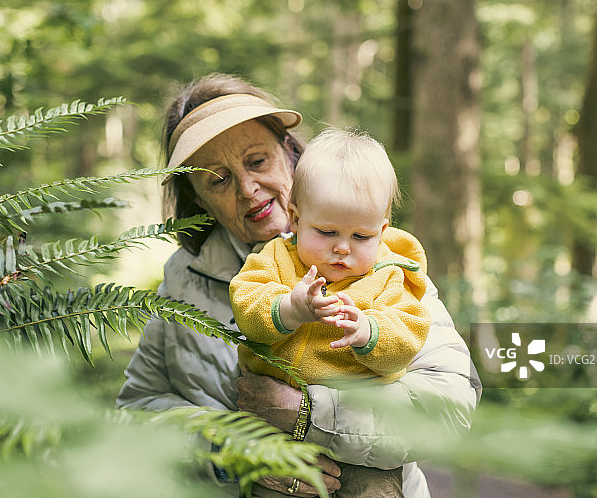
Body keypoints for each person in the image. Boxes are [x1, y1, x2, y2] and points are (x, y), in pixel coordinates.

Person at [115, 73, 482, 498]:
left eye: (257, 162)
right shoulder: (184, 280)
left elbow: (451, 410)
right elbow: (137, 409)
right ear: (197, 198)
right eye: (219, 179)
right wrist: (224, 450)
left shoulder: (379, 259)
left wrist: (311, 415)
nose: (249, 190)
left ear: (289, 153)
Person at [230, 127, 431, 497]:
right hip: (277, 440)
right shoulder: (272, 260)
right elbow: (247, 303)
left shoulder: (389, 277)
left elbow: (408, 336)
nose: (342, 249)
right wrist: (290, 308)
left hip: (365, 452)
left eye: (360, 237)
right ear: (294, 218)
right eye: (326, 232)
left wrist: (370, 333)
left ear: (382, 231)